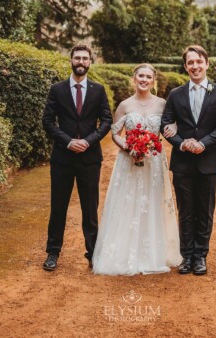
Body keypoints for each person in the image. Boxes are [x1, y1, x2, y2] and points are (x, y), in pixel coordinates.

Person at [92, 64, 181, 275]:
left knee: (152, 202)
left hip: (154, 163)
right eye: (140, 75)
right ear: (134, 78)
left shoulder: (162, 104)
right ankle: (124, 253)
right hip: (128, 162)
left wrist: (174, 128)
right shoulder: (124, 105)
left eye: (148, 77)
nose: (144, 79)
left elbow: (172, 125)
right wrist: (128, 147)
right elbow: (115, 132)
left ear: (153, 80)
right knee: (128, 202)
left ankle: (153, 254)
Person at [161, 45, 216, 276]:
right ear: (185, 67)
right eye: (190, 63)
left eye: (199, 62)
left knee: (205, 210)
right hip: (182, 161)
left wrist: (203, 143)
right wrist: (182, 143)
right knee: (186, 210)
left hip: (210, 160)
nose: (195, 66)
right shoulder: (175, 94)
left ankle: (201, 256)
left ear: (207, 64)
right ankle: (187, 256)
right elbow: (166, 124)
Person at [42, 43, 112, 271]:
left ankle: (93, 254)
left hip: (89, 159)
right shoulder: (57, 89)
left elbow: (106, 121)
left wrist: (89, 141)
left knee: (90, 209)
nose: (81, 62)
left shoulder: (98, 90)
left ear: (90, 62)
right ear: (71, 60)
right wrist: (68, 141)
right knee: (58, 207)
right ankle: (53, 252)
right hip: (63, 158)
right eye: (77, 58)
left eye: (85, 58)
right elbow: (48, 121)